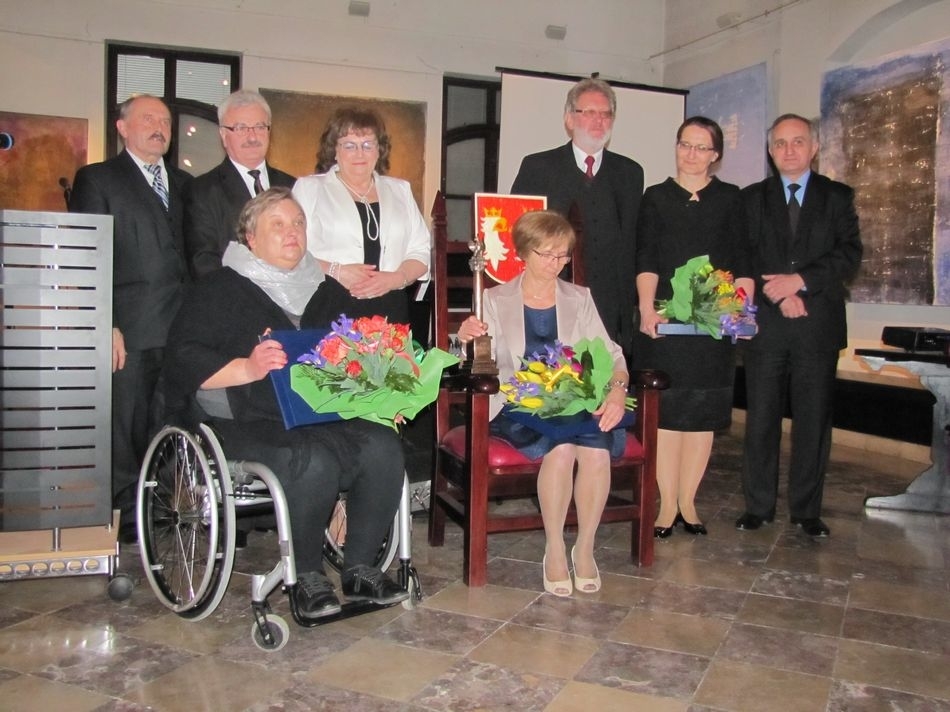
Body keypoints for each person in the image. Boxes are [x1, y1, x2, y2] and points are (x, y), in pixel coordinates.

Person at [163, 187, 409, 618]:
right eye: (277, 225)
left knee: (384, 446)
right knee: (312, 460)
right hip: (247, 419)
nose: (292, 232)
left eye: (297, 223)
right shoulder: (218, 289)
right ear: (250, 238)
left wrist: (380, 390)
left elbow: (355, 355)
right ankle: (307, 576)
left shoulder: (328, 291)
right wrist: (247, 367)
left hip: (324, 417)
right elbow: (183, 359)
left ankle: (360, 568)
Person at [457, 210, 628, 597]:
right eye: (547, 254)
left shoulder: (579, 298)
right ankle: (554, 548)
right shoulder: (494, 299)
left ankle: (585, 548)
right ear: (523, 252)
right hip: (519, 402)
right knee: (562, 449)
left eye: (563, 255)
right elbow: (477, 360)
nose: (556, 263)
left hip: (573, 399)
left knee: (597, 452)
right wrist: (463, 339)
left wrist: (617, 389)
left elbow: (612, 354)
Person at [69, 94, 192, 543]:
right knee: (125, 427)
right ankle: (124, 515)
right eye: (148, 119)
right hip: (130, 330)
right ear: (122, 128)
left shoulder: (185, 184)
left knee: (170, 421)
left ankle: (160, 507)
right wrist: (105, 323)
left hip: (182, 329)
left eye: (165, 121)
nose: (160, 127)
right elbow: (86, 255)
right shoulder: (98, 179)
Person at [735, 114, 862, 538]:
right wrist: (780, 293)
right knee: (761, 421)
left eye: (798, 141)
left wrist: (800, 282)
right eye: (780, 143)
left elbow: (849, 255)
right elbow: (743, 256)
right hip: (767, 326)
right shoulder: (752, 199)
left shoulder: (837, 197)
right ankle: (758, 507)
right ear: (770, 151)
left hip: (817, 325)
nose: (789, 150)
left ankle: (807, 511)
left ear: (814, 147)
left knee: (813, 422)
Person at [634, 117, 753, 539]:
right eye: (685, 144)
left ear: (715, 155)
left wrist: (742, 311)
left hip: (712, 326)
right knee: (668, 415)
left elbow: (742, 261)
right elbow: (646, 258)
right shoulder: (655, 197)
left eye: (702, 147)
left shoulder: (731, 199)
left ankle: (689, 502)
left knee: (701, 417)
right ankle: (667, 505)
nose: (692, 154)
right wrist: (647, 309)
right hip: (667, 324)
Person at [511, 77, 644, 356]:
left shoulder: (630, 173)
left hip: (608, 305)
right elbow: (519, 238)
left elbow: (632, 243)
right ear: (569, 119)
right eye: (589, 112)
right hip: (549, 300)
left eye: (606, 114)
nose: (599, 120)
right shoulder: (538, 167)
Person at [292, 107, 430, 324]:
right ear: (334, 150)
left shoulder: (400, 190)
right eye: (349, 145)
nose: (359, 153)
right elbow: (291, 251)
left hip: (389, 310)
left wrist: (395, 278)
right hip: (329, 304)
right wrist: (336, 270)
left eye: (367, 145)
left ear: (379, 150)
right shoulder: (309, 189)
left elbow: (421, 251)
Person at [184, 89, 296, 279]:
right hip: (234, 294)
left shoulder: (293, 186)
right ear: (223, 135)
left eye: (260, 127)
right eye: (241, 128)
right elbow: (204, 263)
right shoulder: (202, 191)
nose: (252, 137)